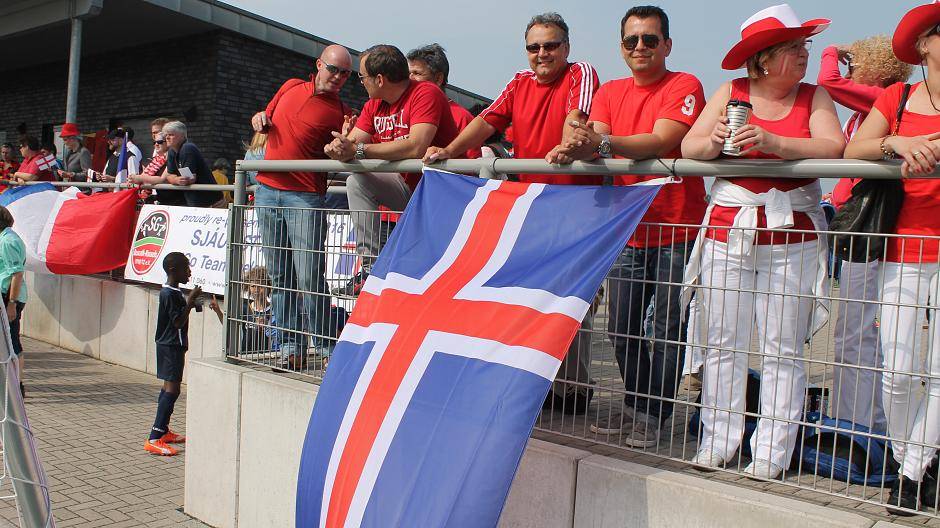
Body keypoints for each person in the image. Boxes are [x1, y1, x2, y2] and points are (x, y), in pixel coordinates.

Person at [680, 4, 845, 479]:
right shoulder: (730, 92)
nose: (803, 54)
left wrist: (775, 144)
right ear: (763, 59)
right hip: (728, 230)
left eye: (804, 46)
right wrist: (713, 139)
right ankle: (718, 440)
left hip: (792, 235)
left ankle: (772, 450)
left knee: (783, 347)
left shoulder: (814, 96)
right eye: (792, 47)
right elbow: (690, 147)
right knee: (722, 340)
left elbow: (833, 147)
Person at [557, 5, 707, 447]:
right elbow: (594, 142)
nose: (640, 46)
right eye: (631, 40)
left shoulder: (684, 84)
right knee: (621, 329)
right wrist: (573, 144)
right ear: (621, 47)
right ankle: (638, 405)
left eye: (650, 39)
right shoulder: (609, 91)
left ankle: (652, 414)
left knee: (666, 330)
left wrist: (599, 141)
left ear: (667, 45)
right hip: (628, 228)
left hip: (676, 228)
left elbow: (660, 141)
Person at [844, 2, 940, 512]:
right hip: (905, 247)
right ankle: (916, 461)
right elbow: (853, 151)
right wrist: (897, 143)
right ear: (922, 45)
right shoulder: (897, 97)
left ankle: (910, 472)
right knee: (899, 370)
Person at [817, 35, 912, 434]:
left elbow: (829, 81)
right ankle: (860, 416)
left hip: (871, 225)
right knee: (858, 329)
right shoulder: (873, 105)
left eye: (855, 64)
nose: (849, 69)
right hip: (862, 220)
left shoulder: (883, 96)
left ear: (876, 66)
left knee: (857, 329)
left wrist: (831, 52)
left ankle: (859, 422)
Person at [325, 43, 459, 294]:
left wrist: (357, 150)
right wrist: (337, 147)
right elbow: (351, 143)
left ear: (379, 79)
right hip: (409, 190)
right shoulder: (374, 104)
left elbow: (416, 146)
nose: (360, 83)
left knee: (437, 280)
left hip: (442, 197)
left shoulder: (426, 92)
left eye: (362, 77)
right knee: (356, 181)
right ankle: (371, 268)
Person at [250, 44, 353, 369]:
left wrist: (342, 147)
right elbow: (264, 119)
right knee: (281, 275)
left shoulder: (341, 112)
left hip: (305, 196)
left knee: (309, 276)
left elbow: (345, 153)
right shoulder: (291, 86)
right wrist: (258, 119)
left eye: (345, 73)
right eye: (334, 69)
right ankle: (290, 347)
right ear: (319, 65)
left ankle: (324, 348)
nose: (338, 77)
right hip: (268, 191)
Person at [424, 12, 599, 182]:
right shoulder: (519, 81)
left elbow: (576, 118)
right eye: (533, 48)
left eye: (550, 46)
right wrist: (448, 151)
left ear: (566, 48)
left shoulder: (580, 71)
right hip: (530, 192)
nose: (542, 53)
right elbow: (486, 122)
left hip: (576, 191)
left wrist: (565, 148)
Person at [144, 252, 199, 456]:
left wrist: (190, 303)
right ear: (173, 270)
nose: (189, 272)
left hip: (172, 345)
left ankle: (163, 431)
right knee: (173, 389)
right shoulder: (168, 293)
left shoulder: (174, 291)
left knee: (169, 387)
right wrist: (190, 302)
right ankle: (154, 438)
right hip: (170, 346)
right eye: (186, 268)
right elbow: (177, 322)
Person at [407, 43, 481, 158]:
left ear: (438, 78)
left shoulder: (462, 118)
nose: (410, 79)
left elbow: (472, 165)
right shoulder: (402, 111)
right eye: (408, 74)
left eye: (417, 73)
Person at [160, 121, 222, 208]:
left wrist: (177, 179)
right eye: (166, 135)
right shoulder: (171, 151)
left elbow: (189, 179)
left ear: (182, 136)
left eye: (171, 134)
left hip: (210, 201)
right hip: (195, 201)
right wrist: (176, 180)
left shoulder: (187, 148)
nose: (167, 137)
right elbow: (170, 175)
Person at [0, 206, 26, 398]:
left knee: (12, 341)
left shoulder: (8, 241)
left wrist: (12, 303)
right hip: (6, 296)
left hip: (9, 297)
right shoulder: (5, 238)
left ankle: (17, 386)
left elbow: (16, 274)